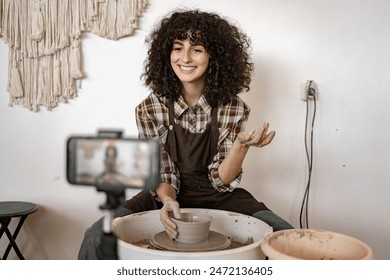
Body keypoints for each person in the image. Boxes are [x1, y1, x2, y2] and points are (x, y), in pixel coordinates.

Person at [78, 9, 293, 259]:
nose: (185, 58)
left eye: (197, 49)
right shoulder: (150, 108)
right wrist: (168, 200)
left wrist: (240, 148)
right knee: (95, 236)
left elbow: (221, 181)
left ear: (214, 57)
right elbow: (161, 170)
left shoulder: (233, 107)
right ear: (166, 53)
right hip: (164, 193)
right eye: (178, 48)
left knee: (284, 235)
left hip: (218, 196)